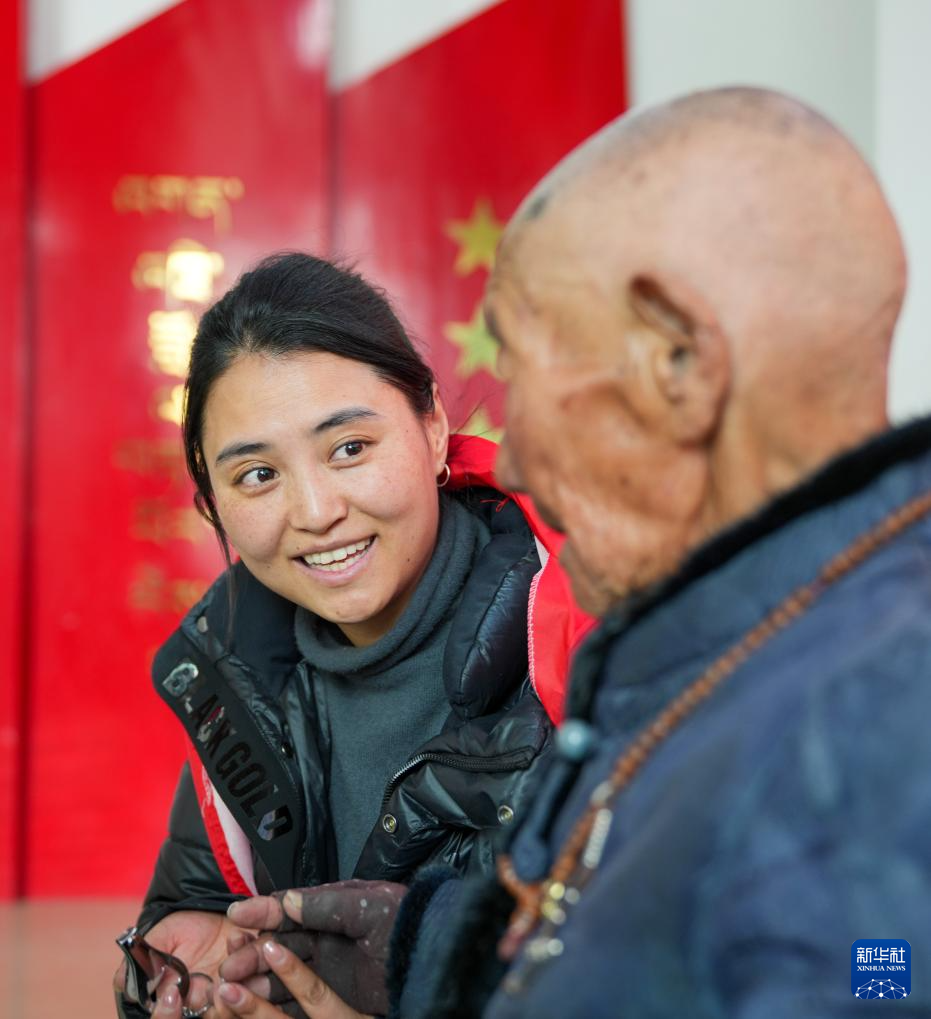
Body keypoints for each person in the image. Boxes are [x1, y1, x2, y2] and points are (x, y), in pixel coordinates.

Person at [213, 86, 931, 1018]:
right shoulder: (759, 636)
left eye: (520, 368)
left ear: (678, 364)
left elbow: (882, 975)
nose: (505, 457)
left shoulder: (880, 723)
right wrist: (428, 943)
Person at [113, 252, 592, 1019]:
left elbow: (707, 958)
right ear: (212, 503)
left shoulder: (584, 632)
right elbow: (194, 898)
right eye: (258, 475)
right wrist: (174, 974)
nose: (315, 512)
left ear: (431, 427)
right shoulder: (237, 665)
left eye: (349, 448)